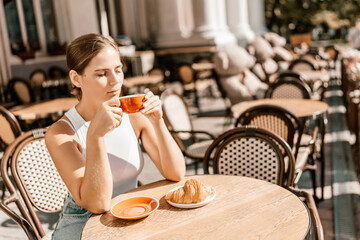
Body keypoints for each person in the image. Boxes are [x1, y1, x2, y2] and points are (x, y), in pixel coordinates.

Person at [45, 33, 185, 240]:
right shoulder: (61, 133)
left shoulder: (133, 116)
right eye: (102, 74)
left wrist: (157, 121)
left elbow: (176, 173)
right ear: (76, 78)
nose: (115, 81)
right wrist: (95, 136)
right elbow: (98, 204)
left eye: (118, 70)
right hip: (82, 225)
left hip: (130, 216)